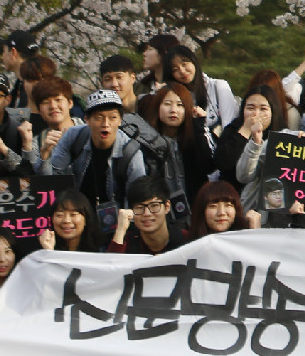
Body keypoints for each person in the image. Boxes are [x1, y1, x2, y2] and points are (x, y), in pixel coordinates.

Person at [47, 90, 158, 235]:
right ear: (87, 120)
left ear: (120, 120)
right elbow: (54, 177)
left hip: (116, 223)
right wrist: (44, 155)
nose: (106, 124)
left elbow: (136, 200)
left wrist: (124, 232)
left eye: (112, 117)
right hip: (76, 219)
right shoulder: (74, 136)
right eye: (99, 118)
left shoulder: (131, 152)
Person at [137, 81, 210, 226]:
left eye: (180, 105)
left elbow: (208, 166)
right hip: (159, 217)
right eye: (167, 104)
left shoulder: (194, 139)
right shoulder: (146, 144)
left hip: (196, 215)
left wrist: (199, 126)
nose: (173, 110)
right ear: (157, 107)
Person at [106, 176, 188, 255]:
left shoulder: (187, 239)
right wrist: (120, 230)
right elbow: (112, 263)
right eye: (139, 207)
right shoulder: (127, 242)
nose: (146, 213)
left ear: (167, 206)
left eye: (154, 206)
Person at [38, 189, 104, 252]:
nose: (66, 220)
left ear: (86, 219)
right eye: (60, 215)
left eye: (73, 214)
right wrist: (49, 252)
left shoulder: (102, 250)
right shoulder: (42, 249)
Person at [187, 181, 253, 239]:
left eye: (228, 205)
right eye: (213, 206)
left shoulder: (245, 240)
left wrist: (255, 231)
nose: (221, 213)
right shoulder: (190, 246)